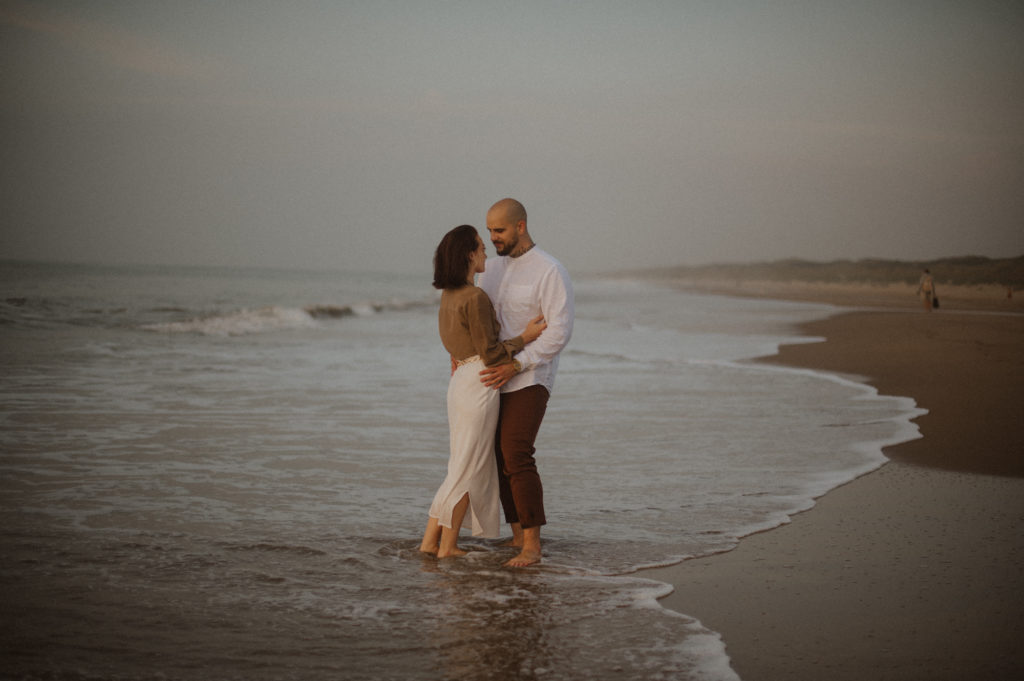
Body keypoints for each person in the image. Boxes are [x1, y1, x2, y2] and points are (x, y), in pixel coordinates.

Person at [419, 225, 547, 558]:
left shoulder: (449, 295)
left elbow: (454, 346)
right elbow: (491, 354)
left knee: (459, 465)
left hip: (460, 379)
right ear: (468, 254)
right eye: (480, 246)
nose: (485, 252)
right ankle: (447, 547)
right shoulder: (474, 297)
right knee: (470, 466)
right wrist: (526, 336)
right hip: (481, 380)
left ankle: (430, 541)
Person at [477, 198, 574, 567]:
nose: (493, 237)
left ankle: (532, 545)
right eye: (489, 231)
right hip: (494, 374)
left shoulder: (550, 270)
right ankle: (516, 534)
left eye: (498, 230)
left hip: (532, 374)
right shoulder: (490, 269)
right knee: (498, 455)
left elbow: (559, 333)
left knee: (517, 451)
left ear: (520, 226)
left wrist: (517, 364)